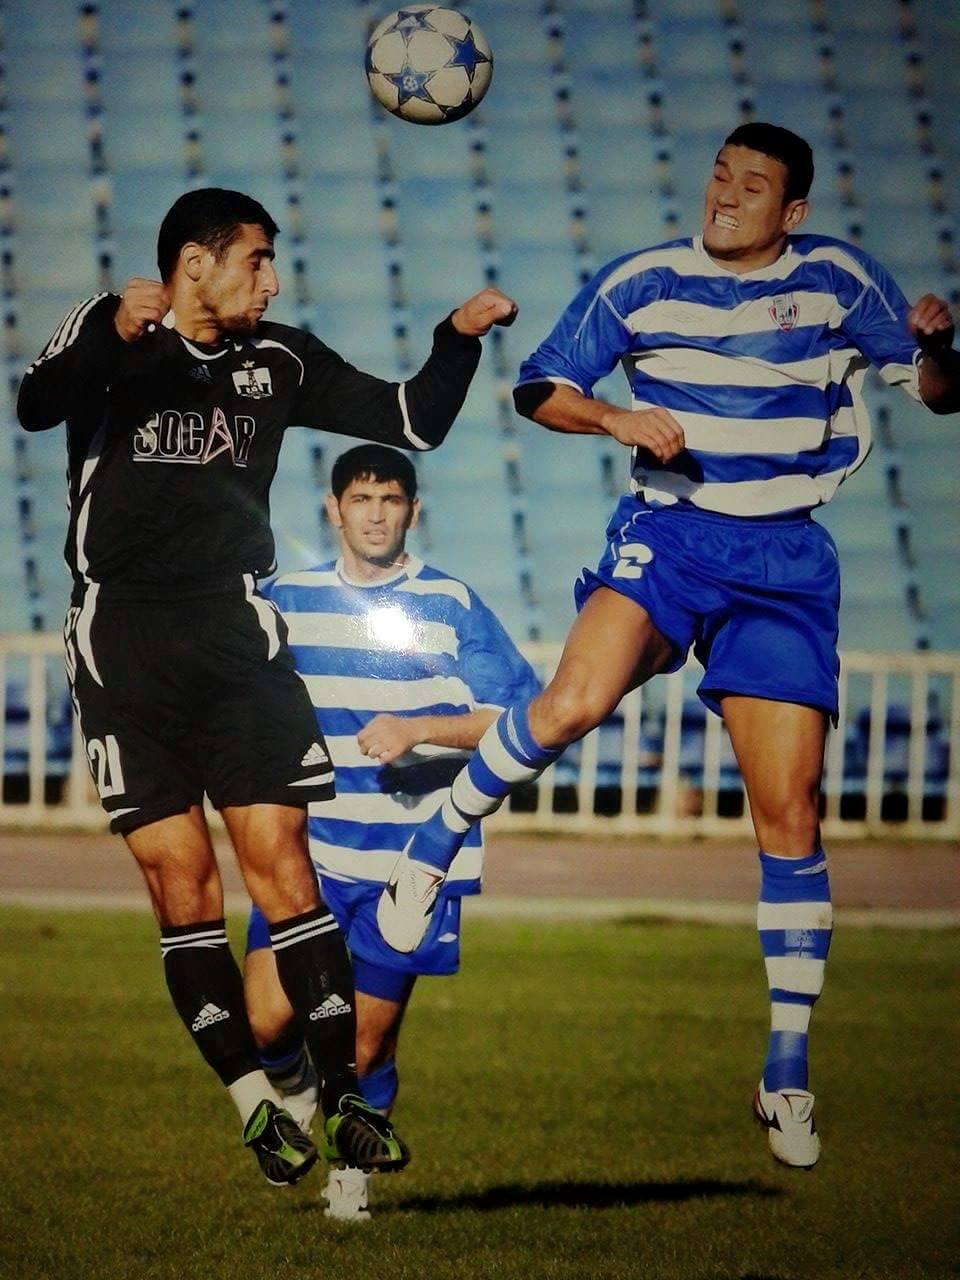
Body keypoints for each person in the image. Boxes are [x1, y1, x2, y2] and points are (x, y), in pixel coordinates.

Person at [376, 123, 960, 1169]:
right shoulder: (641, 280)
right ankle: (435, 843)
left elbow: (937, 389)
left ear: (793, 212)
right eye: (720, 175)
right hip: (673, 536)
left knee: (790, 816)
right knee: (573, 703)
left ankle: (786, 1071)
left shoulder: (840, 279)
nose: (726, 195)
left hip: (785, 558)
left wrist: (938, 348)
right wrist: (615, 419)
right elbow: (538, 387)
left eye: (753, 186)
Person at [16, 186, 517, 1186]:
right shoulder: (114, 334)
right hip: (123, 639)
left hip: (238, 637)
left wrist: (456, 339)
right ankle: (253, 1102)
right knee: (184, 885)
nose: (272, 280)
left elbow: (411, 421)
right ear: (194, 264)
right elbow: (35, 405)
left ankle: (345, 1101)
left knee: (285, 865)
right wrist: (113, 327)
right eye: (256, 259)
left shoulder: (278, 359)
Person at [243, 443, 540, 1219]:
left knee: (367, 1042)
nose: (376, 515)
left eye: (391, 500)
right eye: (361, 499)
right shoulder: (287, 599)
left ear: (414, 510)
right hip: (306, 856)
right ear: (333, 510)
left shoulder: (452, 605)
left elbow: (527, 720)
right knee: (266, 1020)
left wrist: (420, 729)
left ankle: (352, 1169)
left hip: (411, 864)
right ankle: (299, 1090)